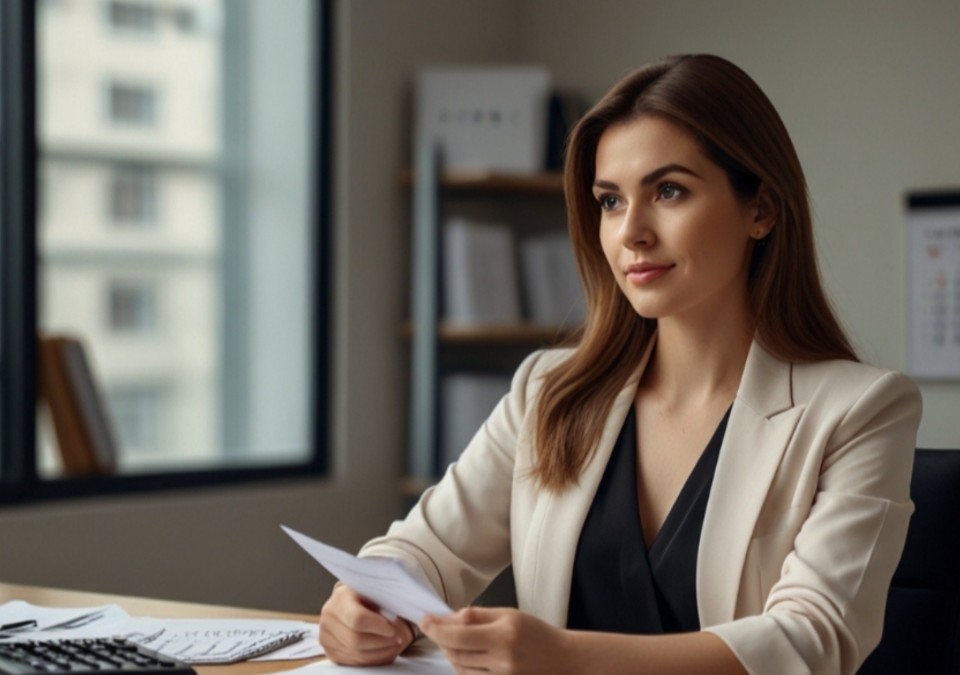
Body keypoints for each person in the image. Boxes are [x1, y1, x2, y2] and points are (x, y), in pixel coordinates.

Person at [318, 54, 922, 675]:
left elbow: (811, 641)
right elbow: (427, 550)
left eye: (668, 191)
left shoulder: (862, 410)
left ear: (761, 209)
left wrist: (564, 657)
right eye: (609, 201)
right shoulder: (548, 390)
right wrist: (360, 603)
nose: (631, 231)